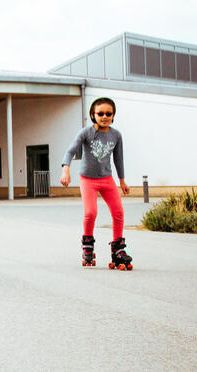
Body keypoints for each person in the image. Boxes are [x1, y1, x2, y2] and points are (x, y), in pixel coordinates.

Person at [61, 97, 133, 271]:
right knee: (91, 212)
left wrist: (122, 180)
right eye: (100, 113)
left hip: (107, 179)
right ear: (93, 115)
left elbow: (119, 159)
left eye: (109, 114)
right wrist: (66, 169)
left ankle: (118, 249)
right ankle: (88, 246)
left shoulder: (116, 135)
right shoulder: (86, 133)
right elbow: (71, 150)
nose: (104, 116)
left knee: (118, 212)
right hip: (88, 179)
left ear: (113, 115)